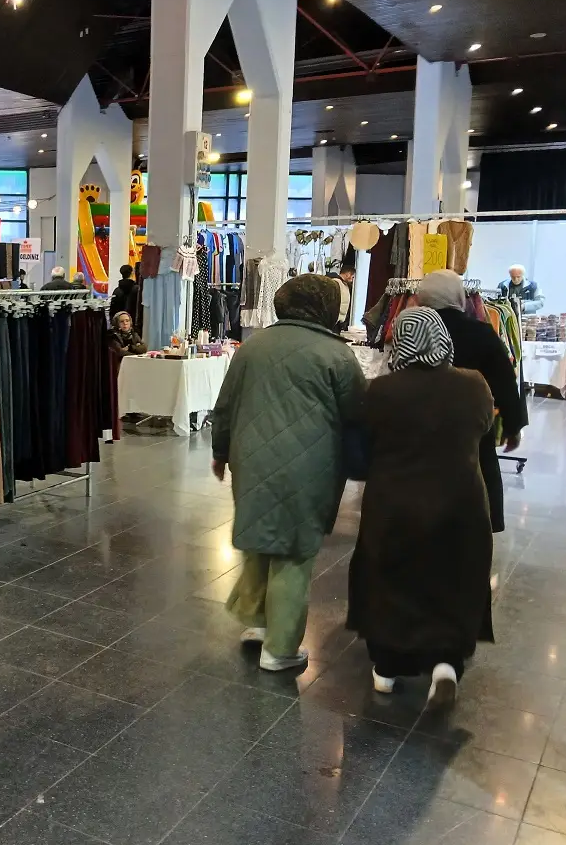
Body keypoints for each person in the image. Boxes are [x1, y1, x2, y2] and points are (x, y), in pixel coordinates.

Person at [210, 275, 366, 671]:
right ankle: (279, 649)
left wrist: (220, 451)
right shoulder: (337, 355)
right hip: (310, 465)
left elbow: (225, 404)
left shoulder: (253, 346)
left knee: (260, 537)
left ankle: (257, 621)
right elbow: (357, 415)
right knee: (294, 552)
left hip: (251, 458)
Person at [347, 307, 496, 707]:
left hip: (393, 503)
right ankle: (446, 665)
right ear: (442, 340)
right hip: (460, 503)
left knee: (390, 578)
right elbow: (485, 429)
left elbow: (365, 446)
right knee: (453, 577)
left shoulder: (381, 391)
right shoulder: (473, 385)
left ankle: (386, 668)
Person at [416, 270, 524, 533]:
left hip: (422, 423)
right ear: (458, 295)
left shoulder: (412, 329)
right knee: (481, 471)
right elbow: (504, 380)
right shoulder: (480, 332)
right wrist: (513, 425)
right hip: (472, 423)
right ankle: (484, 526)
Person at [327, 264, 356, 331]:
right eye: (352, 277)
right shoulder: (335, 282)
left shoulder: (344, 284)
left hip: (338, 321)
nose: (352, 280)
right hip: (333, 321)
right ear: (348, 274)